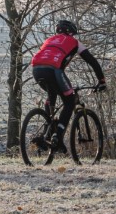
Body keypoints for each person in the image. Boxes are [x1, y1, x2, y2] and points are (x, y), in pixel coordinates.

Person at [30, 20, 107, 153]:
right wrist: (101, 81)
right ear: (71, 32)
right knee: (69, 101)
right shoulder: (74, 42)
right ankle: (58, 136)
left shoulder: (49, 40)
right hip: (53, 70)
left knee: (52, 93)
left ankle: (46, 133)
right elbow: (92, 61)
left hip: (36, 69)